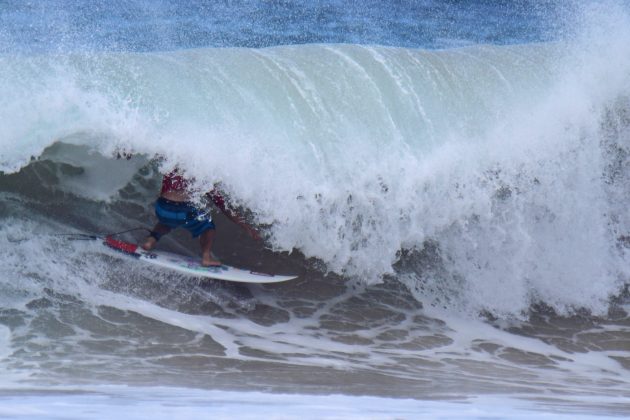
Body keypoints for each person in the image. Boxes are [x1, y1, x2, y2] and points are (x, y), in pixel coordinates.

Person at [142, 168, 260, 267]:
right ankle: (206, 257)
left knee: (165, 222)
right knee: (207, 225)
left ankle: (150, 241)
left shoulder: (172, 165)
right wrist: (245, 226)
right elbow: (224, 207)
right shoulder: (203, 179)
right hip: (182, 212)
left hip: (161, 208)